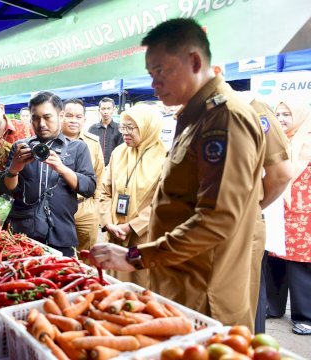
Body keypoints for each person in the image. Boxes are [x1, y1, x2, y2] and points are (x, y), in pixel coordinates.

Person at [88, 18, 265, 329]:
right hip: (179, 279)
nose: (154, 83)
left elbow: (218, 218)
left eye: (161, 71)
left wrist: (135, 258)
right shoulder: (194, 118)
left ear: (194, 61)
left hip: (205, 291)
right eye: (151, 74)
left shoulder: (223, 120)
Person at [4, 92, 96, 257]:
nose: (41, 124)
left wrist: (62, 168)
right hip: (23, 234)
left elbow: (89, 188)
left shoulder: (77, 148)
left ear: (60, 116)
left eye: (47, 117)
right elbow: (9, 188)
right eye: (35, 118)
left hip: (61, 233)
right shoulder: (20, 147)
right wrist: (14, 168)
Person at [233, 93, 293, 334]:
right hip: (212, 231)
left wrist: (253, 207)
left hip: (243, 226)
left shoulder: (254, 109)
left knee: (246, 303)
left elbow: (281, 174)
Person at [98, 104, 166, 288]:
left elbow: (162, 203)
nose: (124, 133)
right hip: (114, 235)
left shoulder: (166, 158)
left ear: (147, 127)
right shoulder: (118, 153)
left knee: (137, 291)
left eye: (130, 128)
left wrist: (131, 227)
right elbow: (104, 191)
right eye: (123, 127)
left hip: (142, 239)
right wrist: (108, 223)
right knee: (110, 288)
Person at [265, 100, 311, 336]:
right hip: (277, 211)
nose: (281, 118)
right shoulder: (276, 141)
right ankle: (273, 307)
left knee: (299, 266)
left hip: (304, 215)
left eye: (286, 114)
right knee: (274, 260)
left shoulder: (308, 142)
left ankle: (305, 316)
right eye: (278, 113)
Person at [60, 98, 104, 251]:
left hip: (86, 208)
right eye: (69, 115)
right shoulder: (51, 142)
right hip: (59, 208)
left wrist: (95, 204)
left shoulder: (93, 143)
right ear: (60, 116)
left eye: (78, 117)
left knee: (87, 255)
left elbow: (100, 174)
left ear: (84, 119)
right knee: (60, 254)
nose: (74, 120)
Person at [87, 98, 123, 165]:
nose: (106, 112)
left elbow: (122, 150)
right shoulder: (92, 129)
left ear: (113, 110)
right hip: (96, 167)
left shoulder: (119, 129)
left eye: (108, 108)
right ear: (99, 110)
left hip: (114, 166)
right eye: (103, 109)